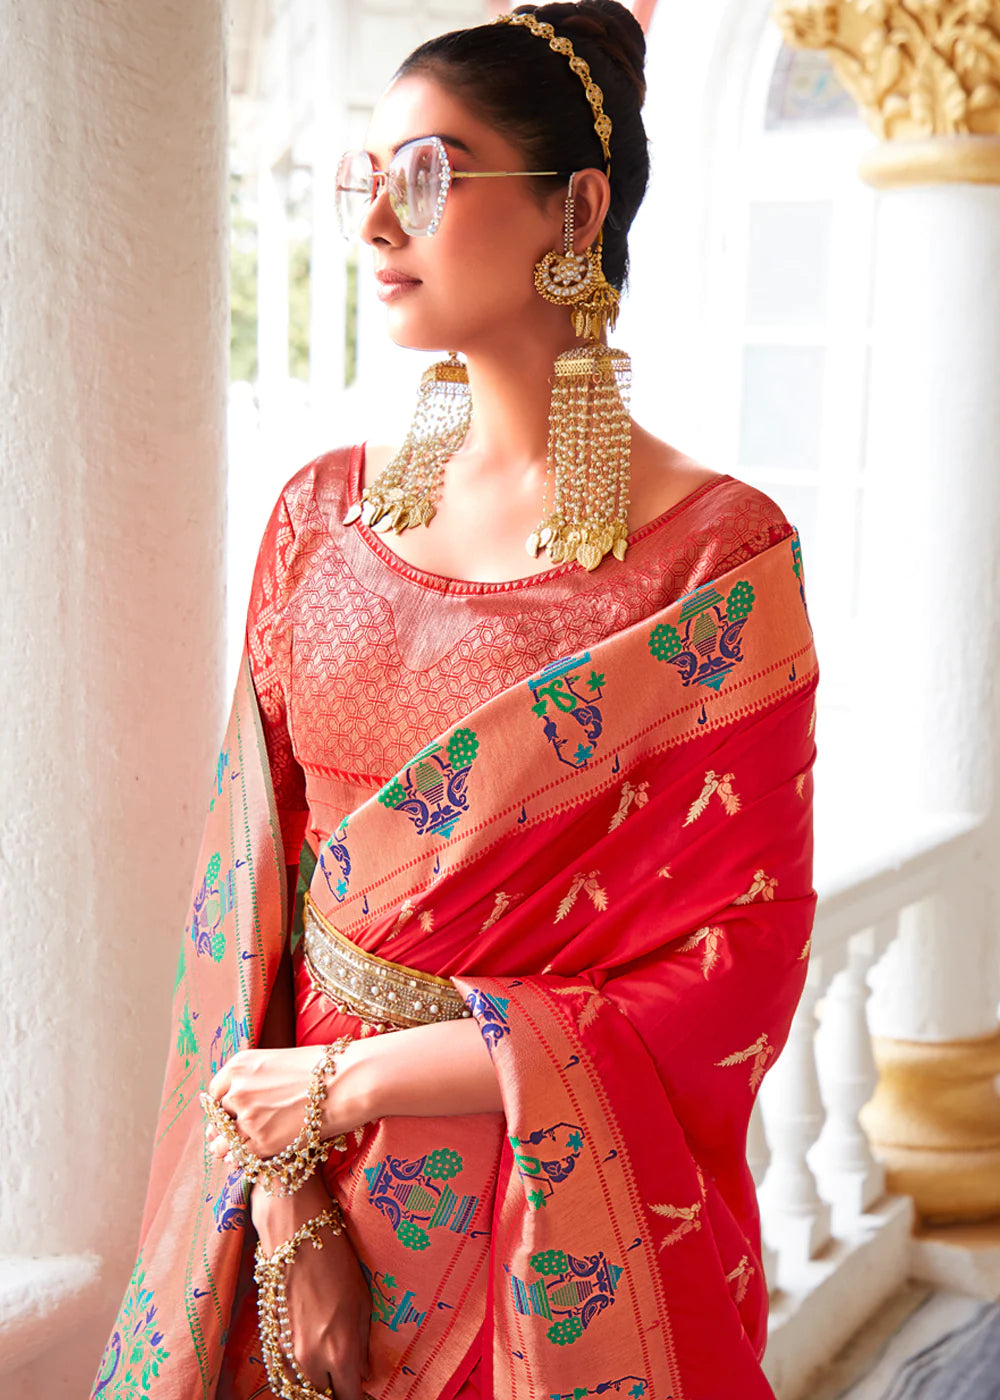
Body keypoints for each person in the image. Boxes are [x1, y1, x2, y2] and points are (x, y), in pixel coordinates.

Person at [91, 4, 817, 1398]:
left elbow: (738, 969)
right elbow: (249, 903)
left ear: (576, 206)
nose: (375, 224)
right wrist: (292, 1182)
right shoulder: (319, 518)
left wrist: (351, 1086)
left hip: (541, 1216)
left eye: (427, 175)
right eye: (366, 181)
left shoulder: (716, 567)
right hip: (280, 1188)